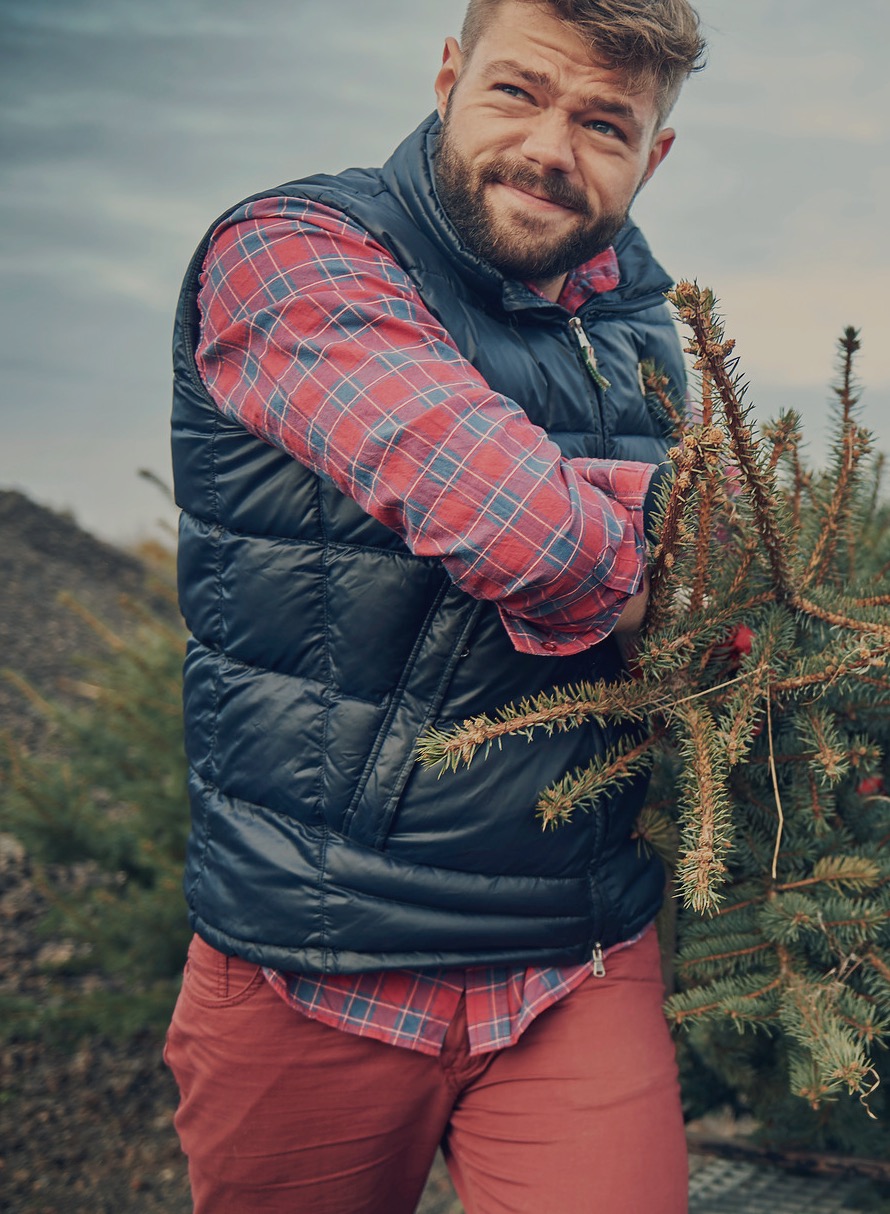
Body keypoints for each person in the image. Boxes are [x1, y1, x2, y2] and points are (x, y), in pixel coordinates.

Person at [165, 1, 706, 1210]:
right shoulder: (291, 251)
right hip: (316, 952)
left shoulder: (641, 327)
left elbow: (701, 596)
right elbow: (530, 531)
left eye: (604, 120)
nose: (551, 148)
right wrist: (650, 557)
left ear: (653, 152)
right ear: (449, 75)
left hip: (575, 953)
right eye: (517, 92)